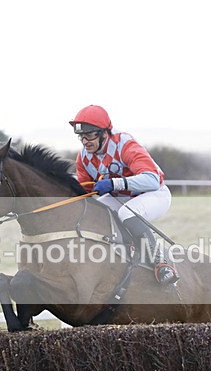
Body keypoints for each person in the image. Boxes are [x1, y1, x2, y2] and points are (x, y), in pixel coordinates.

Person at [70, 104, 178, 285]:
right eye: (81, 136)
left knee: (127, 213)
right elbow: (83, 190)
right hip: (122, 197)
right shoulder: (84, 158)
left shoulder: (125, 145)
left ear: (104, 133)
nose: (85, 141)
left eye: (90, 135)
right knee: (94, 213)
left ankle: (161, 264)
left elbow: (153, 179)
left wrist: (114, 183)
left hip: (154, 194)